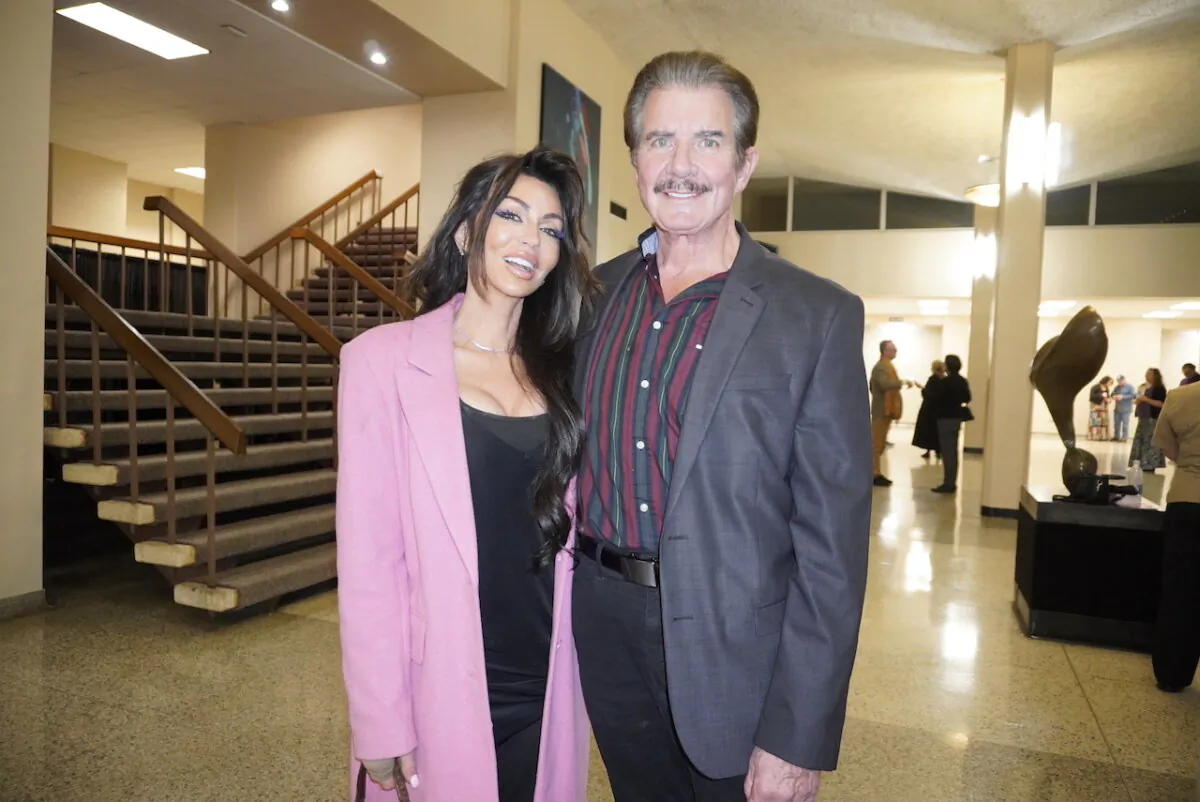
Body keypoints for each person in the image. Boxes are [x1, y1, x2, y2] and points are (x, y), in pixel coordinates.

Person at [573, 51, 871, 802]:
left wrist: (797, 733)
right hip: (604, 632)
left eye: (707, 141)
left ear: (744, 165)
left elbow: (832, 552)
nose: (681, 165)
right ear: (635, 159)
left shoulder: (817, 315)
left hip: (739, 656)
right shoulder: (589, 297)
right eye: (658, 140)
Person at [336, 147, 598, 802]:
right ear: (465, 231)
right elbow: (370, 566)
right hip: (440, 687)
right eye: (510, 214)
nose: (531, 239)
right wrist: (379, 719)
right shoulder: (381, 363)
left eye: (551, 227)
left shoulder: (568, 376)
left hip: (550, 686)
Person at [1150, 377, 1200, 693]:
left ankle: (1172, 674)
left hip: (1188, 501)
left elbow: (1169, 449)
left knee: (1181, 590)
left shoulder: (1180, 397)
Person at [924, 355, 972, 494]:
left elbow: (935, 397)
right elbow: (967, 397)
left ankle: (948, 483)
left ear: (948, 366)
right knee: (953, 451)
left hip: (945, 418)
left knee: (947, 452)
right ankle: (952, 481)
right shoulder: (962, 381)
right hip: (956, 418)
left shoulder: (945, 381)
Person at [870, 340, 912, 486]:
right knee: (876, 443)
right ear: (884, 351)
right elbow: (883, 384)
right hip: (881, 410)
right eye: (892, 349)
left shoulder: (887, 366)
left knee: (880, 443)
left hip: (885, 410)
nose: (895, 351)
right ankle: (874, 473)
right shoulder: (881, 367)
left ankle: (876, 472)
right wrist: (902, 382)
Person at [1130, 367, 1168, 472]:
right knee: (1140, 440)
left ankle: (1150, 463)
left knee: (1150, 441)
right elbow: (1137, 400)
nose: (1147, 375)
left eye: (1150, 374)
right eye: (1146, 373)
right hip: (1143, 417)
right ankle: (1139, 461)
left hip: (1153, 418)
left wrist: (1145, 399)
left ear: (1155, 376)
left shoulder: (1159, 388)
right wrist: (1138, 400)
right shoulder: (1142, 387)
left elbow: (1161, 404)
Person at [912, 360, 945, 460]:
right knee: (937, 431)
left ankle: (928, 450)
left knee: (928, 430)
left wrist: (921, 388)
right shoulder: (943, 379)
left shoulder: (933, 379)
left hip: (929, 409)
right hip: (939, 409)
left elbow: (928, 393)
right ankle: (938, 451)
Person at [1110, 375, 1136, 442]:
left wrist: (1123, 396)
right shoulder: (1117, 387)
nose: (1119, 382)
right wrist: (1114, 396)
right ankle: (1116, 437)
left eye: (1120, 381)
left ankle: (1124, 438)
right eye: (1118, 381)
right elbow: (1112, 394)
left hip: (1126, 409)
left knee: (1125, 424)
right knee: (1116, 424)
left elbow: (1133, 395)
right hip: (1117, 409)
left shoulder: (1130, 387)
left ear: (1124, 380)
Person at [1087, 376, 1112, 441]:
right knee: (1095, 421)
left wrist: (1109, 399)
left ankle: (1103, 436)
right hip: (1096, 406)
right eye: (1110, 382)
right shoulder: (1095, 387)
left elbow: (1107, 396)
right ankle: (1095, 436)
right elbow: (1091, 396)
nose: (1110, 384)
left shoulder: (1106, 388)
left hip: (1103, 407)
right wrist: (1101, 395)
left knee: (1103, 422)